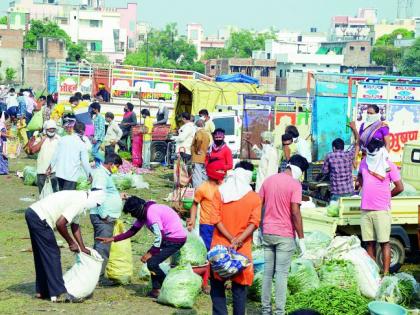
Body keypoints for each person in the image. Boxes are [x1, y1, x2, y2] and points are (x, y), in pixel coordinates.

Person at [97, 197, 187, 298]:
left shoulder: (151, 213)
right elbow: (132, 231)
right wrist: (113, 239)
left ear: (138, 209)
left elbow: (160, 236)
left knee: (152, 263)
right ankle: (156, 290)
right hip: (167, 238)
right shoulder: (143, 213)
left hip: (175, 239)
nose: (132, 215)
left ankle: (169, 286)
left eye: (132, 213)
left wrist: (150, 253)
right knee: (152, 262)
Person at [25, 189, 105, 302]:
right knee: (52, 254)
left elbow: (75, 225)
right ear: (93, 200)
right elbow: (60, 224)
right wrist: (71, 242)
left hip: (33, 212)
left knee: (41, 254)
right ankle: (58, 293)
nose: (95, 207)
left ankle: (42, 291)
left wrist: (82, 247)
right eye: (97, 204)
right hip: (40, 217)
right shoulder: (80, 201)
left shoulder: (81, 199)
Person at [259, 154, 309, 315]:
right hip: (285, 235)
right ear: (299, 170)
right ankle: (279, 312)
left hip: (267, 232)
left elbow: (258, 206)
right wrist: (301, 239)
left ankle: (266, 310)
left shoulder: (269, 180)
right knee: (281, 275)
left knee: (267, 273)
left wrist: (259, 228)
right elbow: (295, 212)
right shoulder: (295, 185)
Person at [210, 161, 262, 315]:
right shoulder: (254, 198)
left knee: (218, 285)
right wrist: (238, 239)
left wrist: (230, 238)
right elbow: (254, 223)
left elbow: (215, 219)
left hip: (220, 245)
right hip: (242, 248)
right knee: (239, 289)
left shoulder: (220, 193)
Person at [358, 139, 403, 275]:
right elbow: (360, 176)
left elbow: (400, 187)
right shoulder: (364, 163)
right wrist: (361, 185)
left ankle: (385, 273)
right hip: (366, 209)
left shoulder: (389, 165)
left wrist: (386, 196)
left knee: (384, 242)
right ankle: (372, 274)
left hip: (381, 210)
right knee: (369, 243)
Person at [90, 153, 123, 279]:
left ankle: (96, 274)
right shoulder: (101, 175)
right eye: (117, 167)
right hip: (102, 217)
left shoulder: (104, 174)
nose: (117, 169)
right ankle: (97, 277)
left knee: (101, 246)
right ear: (111, 164)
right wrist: (103, 215)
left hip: (105, 216)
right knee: (102, 248)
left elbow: (106, 193)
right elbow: (96, 194)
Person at [187, 160, 226, 249]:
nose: (222, 173)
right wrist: (192, 219)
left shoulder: (224, 186)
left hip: (221, 224)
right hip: (206, 224)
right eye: (220, 170)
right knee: (207, 249)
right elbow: (194, 204)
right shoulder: (203, 188)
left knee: (220, 250)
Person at [322, 122, 359, 201]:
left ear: (333, 147)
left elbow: (324, 171)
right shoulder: (349, 155)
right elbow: (357, 142)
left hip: (336, 192)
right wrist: (354, 129)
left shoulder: (329, 156)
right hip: (349, 190)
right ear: (343, 147)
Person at [49, 121, 92, 191]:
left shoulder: (63, 139)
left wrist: (50, 167)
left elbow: (55, 155)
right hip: (71, 176)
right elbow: (85, 162)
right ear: (83, 132)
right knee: (67, 199)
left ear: (73, 129)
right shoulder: (81, 144)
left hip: (60, 174)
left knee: (61, 195)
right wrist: (89, 175)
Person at [29, 120, 61, 194]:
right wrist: (42, 140)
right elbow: (33, 150)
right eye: (50, 129)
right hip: (41, 170)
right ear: (46, 130)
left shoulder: (59, 139)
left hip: (54, 171)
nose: (52, 130)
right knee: (42, 194)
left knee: (54, 194)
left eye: (53, 129)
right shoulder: (41, 138)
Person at [191, 119, 212, 188]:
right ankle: (204, 190)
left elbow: (199, 139)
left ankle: (197, 192)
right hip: (203, 157)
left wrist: (197, 149)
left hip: (197, 157)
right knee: (203, 175)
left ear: (197, 125)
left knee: (196, 175)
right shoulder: (206, 133)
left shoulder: (199, 132)